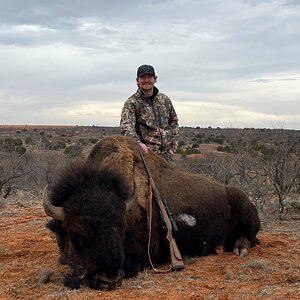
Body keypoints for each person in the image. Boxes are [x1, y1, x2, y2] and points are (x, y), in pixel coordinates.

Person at [120, 64, 179, 164]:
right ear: (137, 80)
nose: (146, 80)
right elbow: (126, 127)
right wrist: (138, 144)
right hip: (146, 157)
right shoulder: (132, 103)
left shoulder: (165, 100)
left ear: (155, 79)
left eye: (149, 77)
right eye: (143, 77)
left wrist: (173, 146)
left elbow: (174, 122)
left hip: (168, 156)